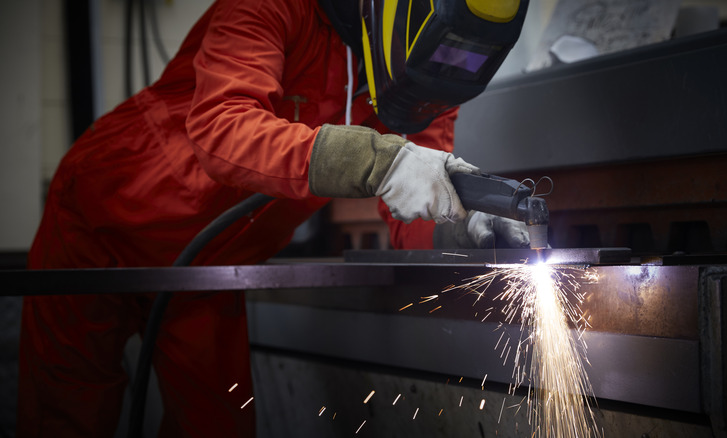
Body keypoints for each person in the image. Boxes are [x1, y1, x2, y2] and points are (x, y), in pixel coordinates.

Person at [17, 0, 529, 436]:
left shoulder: (428, 79)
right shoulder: (273, 7)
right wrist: (374, 161)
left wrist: (464, 227)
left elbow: (412, 213)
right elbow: (223, 127)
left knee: (218, 426)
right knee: (69, 417)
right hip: (101, 215)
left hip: (210, 265)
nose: (449, 66)